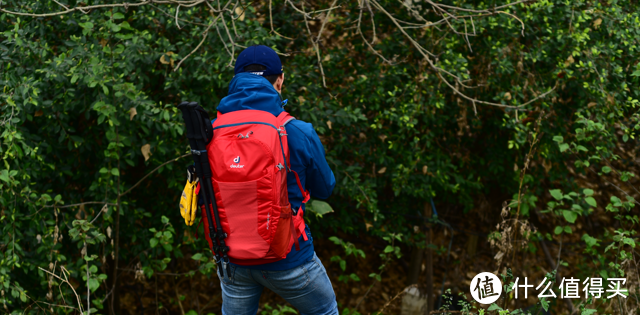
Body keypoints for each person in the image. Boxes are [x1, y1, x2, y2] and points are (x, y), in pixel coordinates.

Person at [213, 45, 338, 315]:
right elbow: (325, 188)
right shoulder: (297, 130)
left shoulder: (213, 132)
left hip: (233, 258)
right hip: (290, 257)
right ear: (280, 79)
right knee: (325, 310)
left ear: (236, 80)